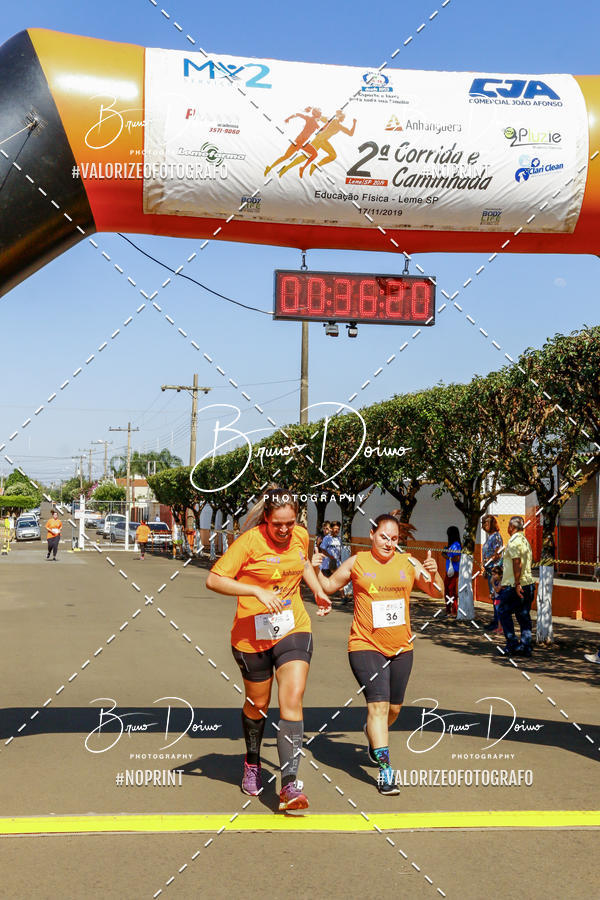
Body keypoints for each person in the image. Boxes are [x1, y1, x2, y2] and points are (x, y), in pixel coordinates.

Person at [206, 487, 332, 811]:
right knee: (257, 706)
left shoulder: (300, 536)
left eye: (290, 523)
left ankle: (289, 785)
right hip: (251, 637)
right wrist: (255, 591)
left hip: (292, 627)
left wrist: (317, 590)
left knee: (292, 696)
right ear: (266, 518)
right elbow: (215, 579)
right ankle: (252, 762)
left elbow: (302, 564)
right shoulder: (249, 543)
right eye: (278, 524)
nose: (285, 530)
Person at [312, 513, 443, 795]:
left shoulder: (408, 562)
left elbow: (436, 592)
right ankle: (386, 771)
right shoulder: (357, 562)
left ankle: (373, 736)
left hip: (401, 648)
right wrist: (314, 569)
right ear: (372, 534)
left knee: (394, 710)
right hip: (365, 645)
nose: (388, 543)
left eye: (394, 539)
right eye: (384, 537)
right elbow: (328, 586)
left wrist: (434, 573)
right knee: (379, 707)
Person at [496, 516, 536, 657]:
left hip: (515, 585)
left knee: (503, 611)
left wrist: (517, 584)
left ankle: (512, 643)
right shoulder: (525, 541)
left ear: (511, 528)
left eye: (508, 526)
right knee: (523, 615)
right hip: (528, 583)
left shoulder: (513, 542)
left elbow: (517, 563)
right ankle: (525, 646)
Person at [481, 515, 504, 631]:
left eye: (484, 523)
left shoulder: (496, 538)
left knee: (496, 596)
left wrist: (487, 560)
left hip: (495, 570)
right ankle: (496, 620)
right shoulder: (490, 537)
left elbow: (497, 554)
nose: (482, 526)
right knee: (493, 596)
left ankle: (499, 623)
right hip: (490, 569)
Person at [442, 526, 462, 617]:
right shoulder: (450, 545)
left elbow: (457, 558)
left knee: (452, 591)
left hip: (454, 571)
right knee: (446, 590)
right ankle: (448, 609)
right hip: (448, 571)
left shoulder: (457, 545)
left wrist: (447, 556)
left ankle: (454, 610)